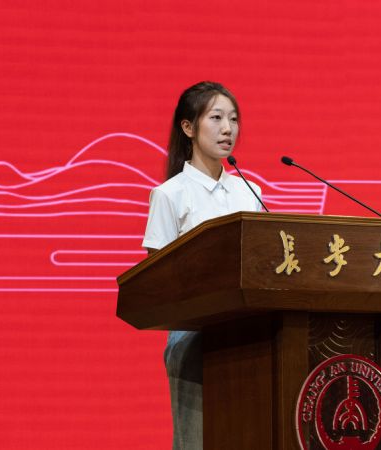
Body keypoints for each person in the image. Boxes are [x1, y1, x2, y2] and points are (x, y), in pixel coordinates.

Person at [142, 81, 264, 450]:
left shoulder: (249, 192)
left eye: (234, 119)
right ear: (188, 127)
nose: (228, 129)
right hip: (194, 338)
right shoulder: (170, 195)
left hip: (250, 337)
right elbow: (157, 280)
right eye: (216, 118)